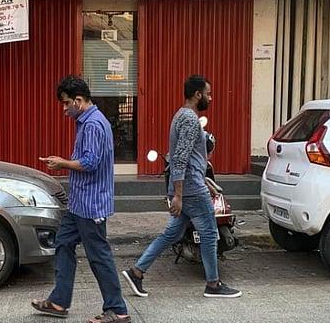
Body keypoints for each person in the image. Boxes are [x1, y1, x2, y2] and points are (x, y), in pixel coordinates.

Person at [121, 74, 242, 299]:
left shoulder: (181, 115)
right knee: (208, 233)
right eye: (208, 93)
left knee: (171, 234)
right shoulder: (189, 119)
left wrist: (205, 180)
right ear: (197, 94)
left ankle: (136, 272)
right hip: (191, 190)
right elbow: (180, 158)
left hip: (190, 185)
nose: (210, 98)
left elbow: (190, 160)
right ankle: (213, 285)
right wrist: (178, 194)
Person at [31, 75, 130, 323]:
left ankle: (117, 310)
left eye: (66, 104)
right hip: (80, 204)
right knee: (63, 243)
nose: (64, 110)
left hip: (91, 204)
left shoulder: (94, 124)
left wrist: (61, 163)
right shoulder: (86, 121)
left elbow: (90, 163)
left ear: (78, 100)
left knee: (99, 256)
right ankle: (58, 302)